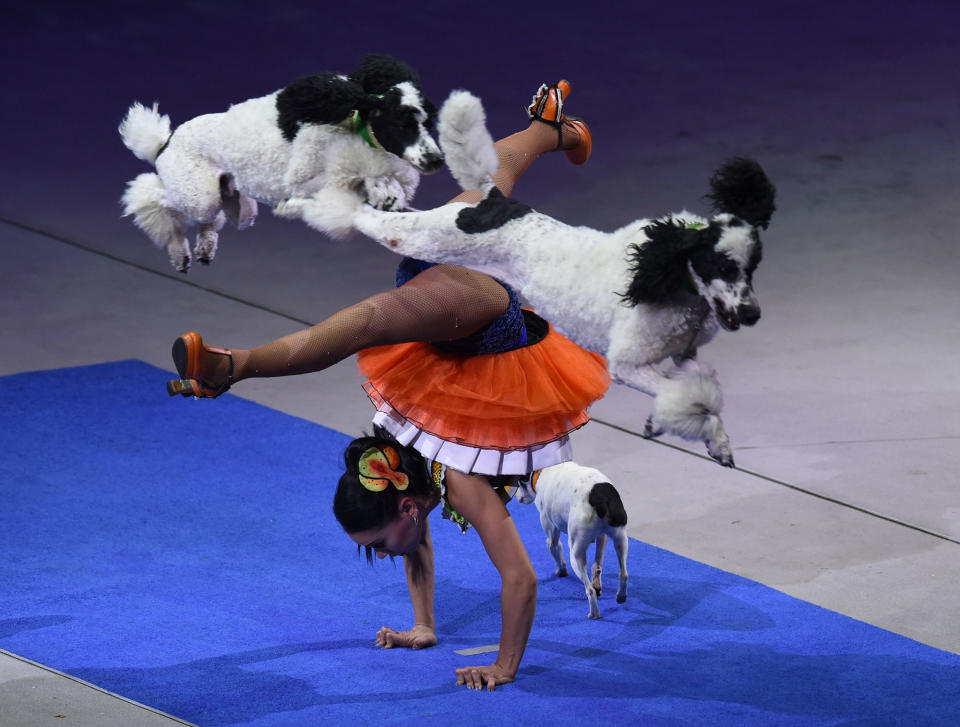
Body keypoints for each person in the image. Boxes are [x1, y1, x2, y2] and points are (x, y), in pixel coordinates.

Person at [166, 81, 608, 690]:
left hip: (469, 310)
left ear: (404, 504)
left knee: (364, 323)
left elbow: (520, 578)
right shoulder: (412, 469)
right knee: (494, 178)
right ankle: (554, 128)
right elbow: (413, 539)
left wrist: (504, 667)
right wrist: (423, 627)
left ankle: (232, 365)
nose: (379, 554)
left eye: (375, 542)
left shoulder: (453, 475)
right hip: (453, 284)